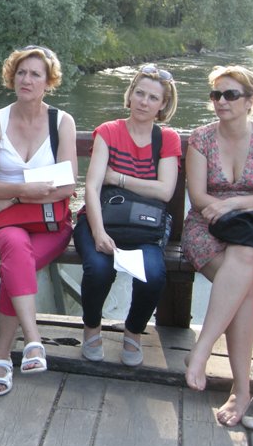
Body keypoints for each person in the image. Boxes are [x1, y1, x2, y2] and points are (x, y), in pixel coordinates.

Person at [0, 45, 77, 396]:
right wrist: (26, 190)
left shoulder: (62, 122)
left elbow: (67, 186)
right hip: (0, 222)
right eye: (21, 72)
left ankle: (2, 356)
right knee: (16, 248)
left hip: (50, 224)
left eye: (35, 74)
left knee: (15, 262)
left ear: (48, 81)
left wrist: (15, 196)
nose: (26, 80)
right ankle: (33, 342)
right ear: (12, 77)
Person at [182, 66, 253, 427]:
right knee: (244, 283)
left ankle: (202, 349)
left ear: (251, 100)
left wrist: (233, 204)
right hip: (205, 227)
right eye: (216, 95)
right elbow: (198, 197)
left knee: (244, 256)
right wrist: (220, 208)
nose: (221, 101)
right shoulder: (201, 138)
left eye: (230, 95)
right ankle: (241, 389)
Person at [73, 65, 181, 366]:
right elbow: (92, 187)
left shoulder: (167, 139)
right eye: (140, 93)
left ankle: (133, 331)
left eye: (153, 98)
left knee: (153, 274)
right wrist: (98, 233)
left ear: (163, 105)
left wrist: (118, 178)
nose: (144, 102)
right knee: (98, 268)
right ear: (130, 94)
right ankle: (91, 327)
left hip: (145, 228)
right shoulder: (108, 131)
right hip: (101, 219)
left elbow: (165, 191)